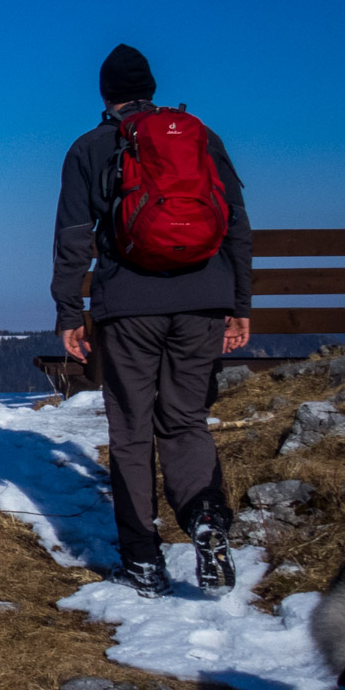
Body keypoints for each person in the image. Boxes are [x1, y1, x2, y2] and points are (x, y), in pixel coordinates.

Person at [50, 44, 253, 596]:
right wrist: (238, 304)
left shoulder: (90, 148)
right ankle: (206, 518)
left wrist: (70, 312)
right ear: (152, 89)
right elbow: (234, 224)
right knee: (186, 420)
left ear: (105, 94)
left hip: (129, 309)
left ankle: (143, 558)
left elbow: (73, 238)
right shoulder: (200, 138)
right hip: (205, 301)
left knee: (133, 431)